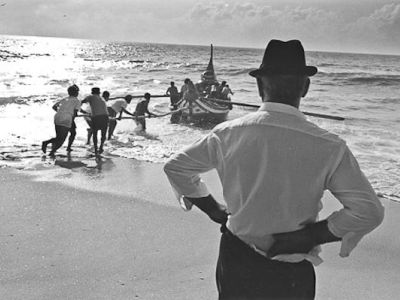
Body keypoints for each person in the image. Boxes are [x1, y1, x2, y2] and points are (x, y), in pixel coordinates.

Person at [164, 39, 384, 299]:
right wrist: (310, 236)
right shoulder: (329, 146)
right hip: (290, 267)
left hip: (236, 258)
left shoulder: (228, 133)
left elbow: (176, 167)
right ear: (306, 87)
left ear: (259, 87)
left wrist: (214, 210)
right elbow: (368, 211)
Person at [42, 84, 81, 157]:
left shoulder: (65, 99)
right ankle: (48, 146)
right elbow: (75, 114)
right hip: (67, 119)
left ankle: (51, 150)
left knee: (58, 137)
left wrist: (61, 112)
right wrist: (70, 116)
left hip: (57, 117)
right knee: (61, 139)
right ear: (76, 93)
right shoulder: (77, 101)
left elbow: (54, 107)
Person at [81, 87, 109, 155]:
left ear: (92, 92)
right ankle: (101, 147)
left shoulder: (90, 97)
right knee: (103, 134)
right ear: (99, 93)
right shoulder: (102, 98)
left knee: (95, 133)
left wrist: (81, 110)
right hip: (105, 116)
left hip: (97, 117)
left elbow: (82, 102)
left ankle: (96, 149)